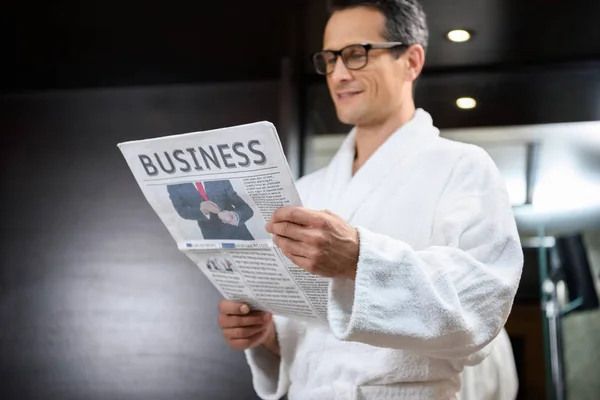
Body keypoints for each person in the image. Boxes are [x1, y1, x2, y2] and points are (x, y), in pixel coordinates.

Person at [217, 1, 523, 399]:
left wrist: (360, 259)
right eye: (329, 59)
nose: (339, 74)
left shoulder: (462, 167)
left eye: (357, 54)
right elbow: (309, 340)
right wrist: (267, 335)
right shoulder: (307, 190)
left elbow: (482, 306)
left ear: (411, 60)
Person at [167, 179, 255, 240]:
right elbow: (182, 210)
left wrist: (234, 216)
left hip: (239, 234)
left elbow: (246, 209)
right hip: (213, 236)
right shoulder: (174, 185)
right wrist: (202, 211)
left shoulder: (218, 179)